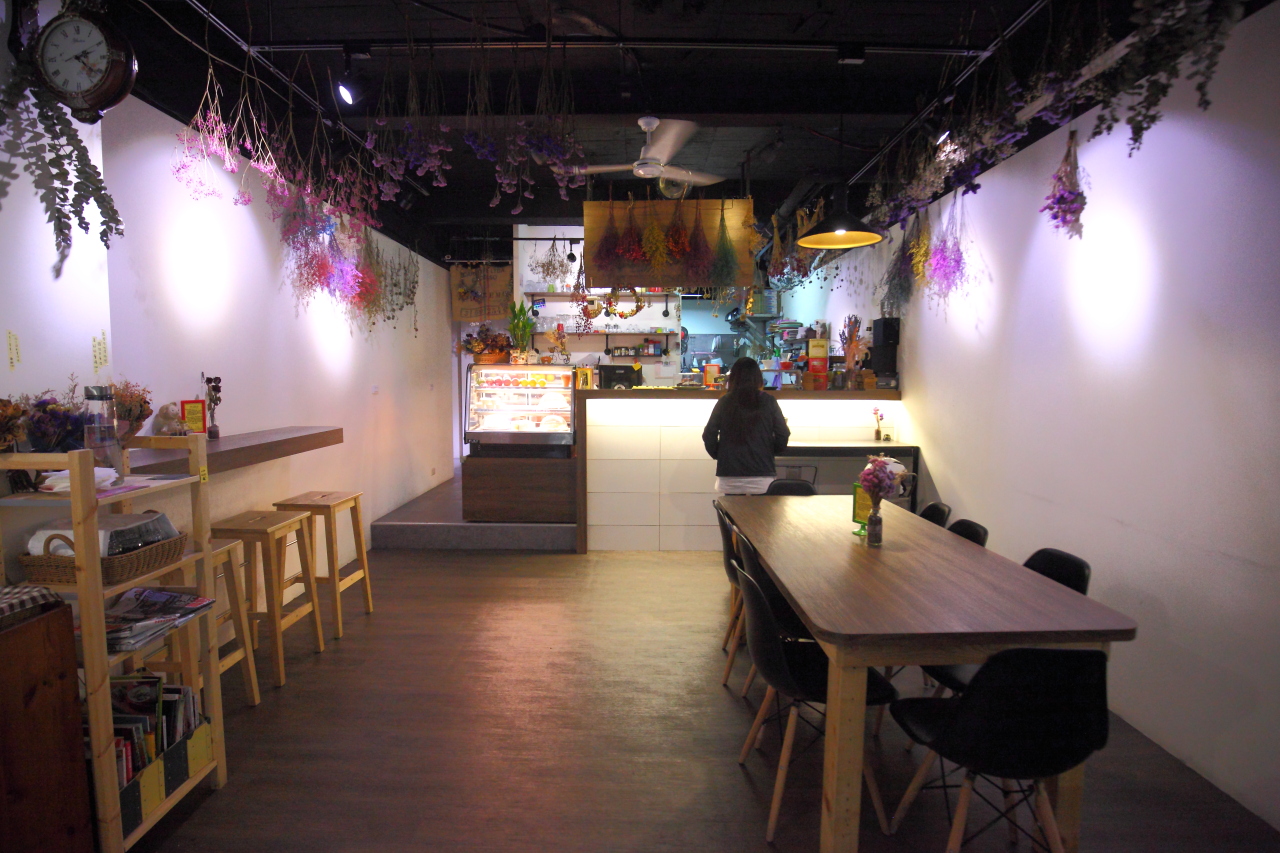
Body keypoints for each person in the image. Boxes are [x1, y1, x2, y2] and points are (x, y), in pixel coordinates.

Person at [702, 357, 790, 495]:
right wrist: (769, 452)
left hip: (730, 474)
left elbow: (709, 435)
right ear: (758, 378)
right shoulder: (768, 401)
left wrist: (721, 455)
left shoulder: (725, 401)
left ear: (733, 378)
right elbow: (783, 433)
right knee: (762, 510)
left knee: (732, 510)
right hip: (762, 474)